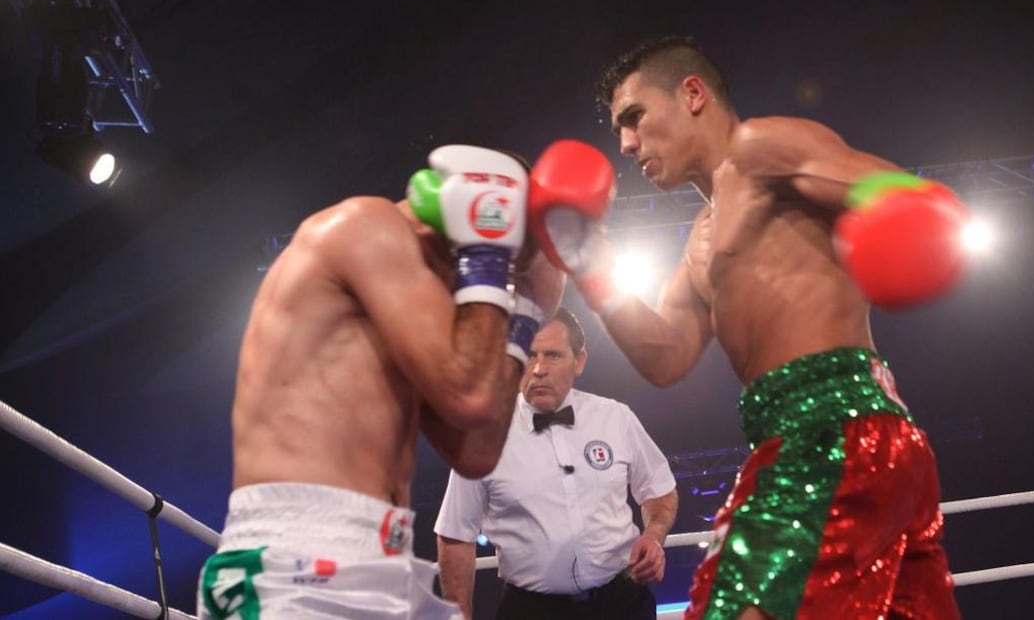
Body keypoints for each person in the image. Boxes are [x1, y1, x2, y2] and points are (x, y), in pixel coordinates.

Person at [525, 38, 968, 619]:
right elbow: (665, 356)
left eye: (634, 118)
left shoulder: (761, 148)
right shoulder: (700, 241)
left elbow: (898, 195)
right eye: (618, 132)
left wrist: (912, 224)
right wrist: (590, 264)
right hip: (855, 441)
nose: (627, 144)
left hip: (829, 430)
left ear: (692, 95)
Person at [196, 144, 564, 619]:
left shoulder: (414, 304)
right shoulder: (365, 226)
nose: (495, 288)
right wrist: (490, 256)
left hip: (380, 556)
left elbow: (476, 451)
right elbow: (471, 397)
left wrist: (529, 312)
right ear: (471, 215)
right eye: (502, 265)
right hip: (292, 555)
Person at [434, 307, 678, 620]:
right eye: (528, 355)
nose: (538, 369)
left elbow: (659, 490)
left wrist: (653, 535)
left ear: (579, 361)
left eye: (552, 355)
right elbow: (455, 535)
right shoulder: (481, 437)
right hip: (532, 611)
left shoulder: (615, 418)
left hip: (622, 602)